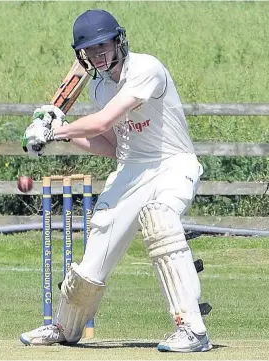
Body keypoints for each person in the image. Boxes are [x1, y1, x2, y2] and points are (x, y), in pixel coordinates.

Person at [20, 9, 212, 352]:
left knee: (161, 219)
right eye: (89, 52)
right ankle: (65, 327)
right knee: (100, 238)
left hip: (172, 164)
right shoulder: (99, 88)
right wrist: (56, 136)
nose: (96, 56)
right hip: (131, 169)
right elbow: (110, 144)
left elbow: (100, 122)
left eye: (102, 47)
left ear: (119, 41)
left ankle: (192, 330)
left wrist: (56, 126)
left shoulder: (147, 69)